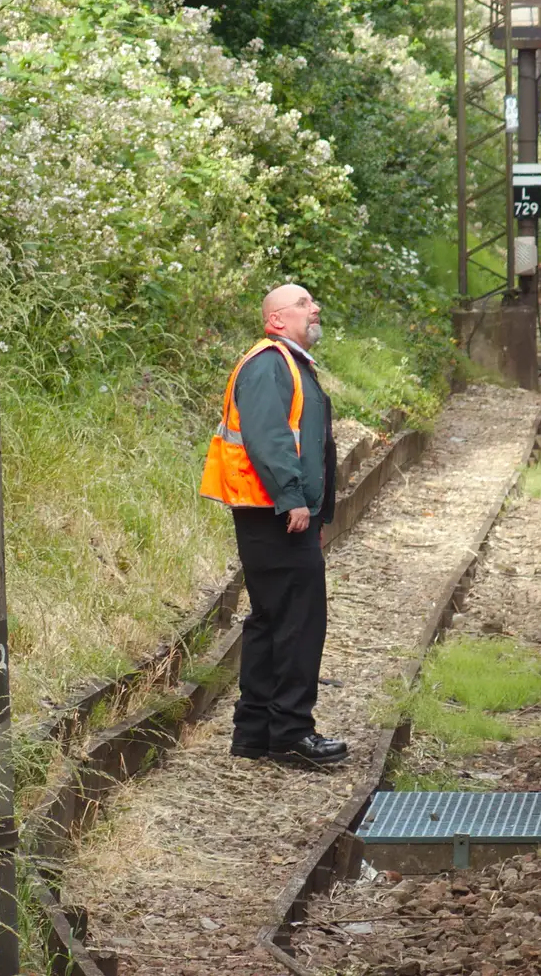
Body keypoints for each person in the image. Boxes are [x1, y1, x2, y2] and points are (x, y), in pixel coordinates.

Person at [199, 283, 346, 768]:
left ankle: (256, 732)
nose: (314, 308)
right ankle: (291, 731)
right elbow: (269, 438)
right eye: (303, 303)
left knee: (271, 620)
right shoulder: (270, 364)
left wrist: (313, 509)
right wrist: (293, 501)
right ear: (276, 319)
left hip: (272, 514)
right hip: (276, 514)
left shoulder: (285, 363)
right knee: (298, 624)